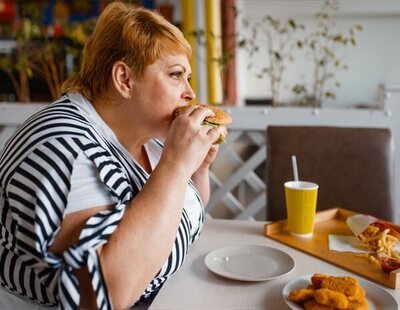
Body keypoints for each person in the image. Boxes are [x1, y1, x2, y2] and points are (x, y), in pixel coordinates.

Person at [0, 2, 221, 309]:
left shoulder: (152, 142)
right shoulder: (65, 147)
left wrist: (196, 170)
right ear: (124, 79)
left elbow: (179, 213)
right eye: (176, 75)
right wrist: (176, 166)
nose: (190, 93)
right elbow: (105, 292)